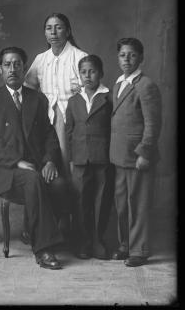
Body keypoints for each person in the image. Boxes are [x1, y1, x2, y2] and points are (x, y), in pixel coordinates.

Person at [0, 46, 69, 270]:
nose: (12, 69)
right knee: (33, 179)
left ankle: (33, 228)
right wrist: (17, 162)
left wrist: (49, 161)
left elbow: (49, 134)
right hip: (3, 170)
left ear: (24, 68)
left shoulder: (37, 99)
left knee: (59, 185)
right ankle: (44, 248)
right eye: (7, 65)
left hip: (35, 166)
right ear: (0, 70)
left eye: (17, 64)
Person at [24, 13, 87, 237]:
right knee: (49, 172)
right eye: (49, 28)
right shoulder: (41, 59)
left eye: (59, 28)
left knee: (71, 172)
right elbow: (28, 88)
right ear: (44, 33)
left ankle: (75, 226)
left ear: (68, 31)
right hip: (46, 122)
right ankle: (50, 223)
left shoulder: (80, 57)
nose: (53, 32)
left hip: (73, 122)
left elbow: (92, 90)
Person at [110, 38, 162, 267]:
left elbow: (153, 123)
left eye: (132, 55)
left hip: (137, 156)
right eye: (123, 55)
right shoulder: (119, 83)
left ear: (141, 58)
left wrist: (145, 152)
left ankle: (139, 250)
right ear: (118, 58)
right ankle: (125, 244)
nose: (127, 59)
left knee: (137, 203)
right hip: (119, 156)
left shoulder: (146, 85)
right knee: (121, 203)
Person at [66, 55, 114, 260]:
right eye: (83, 72)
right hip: (79, 158)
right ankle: (84, 242)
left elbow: (115, 128)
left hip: (103, 157)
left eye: (92, 71)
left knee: (102, 199)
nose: (87, 75)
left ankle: (99, 241)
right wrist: (71, 155)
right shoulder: (74, 100)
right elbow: (69, 130)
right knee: (81, 200)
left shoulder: (109, 98)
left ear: (100, 74)